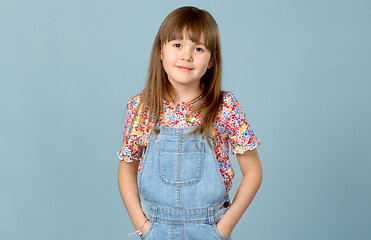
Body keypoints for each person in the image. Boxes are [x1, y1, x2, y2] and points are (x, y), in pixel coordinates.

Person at [117, 6, 262, 239]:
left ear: (212, 60)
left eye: (198, 48)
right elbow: (127, 167)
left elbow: (253, 171)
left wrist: (224, 228)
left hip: (208, 228)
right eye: (177, 45)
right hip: (155, 228)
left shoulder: (225, 107)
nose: (186, 55)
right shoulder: (142, 108)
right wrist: (142, 225)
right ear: (161, 52)